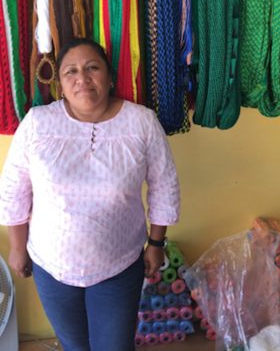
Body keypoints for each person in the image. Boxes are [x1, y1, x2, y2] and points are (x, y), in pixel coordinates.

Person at [0, 38, 180, 351]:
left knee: (114, 346)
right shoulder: (39, 123)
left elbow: (165, 186)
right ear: (60, 84)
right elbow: (13, 189)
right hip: (50, 264)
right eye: (71, 71)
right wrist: (17, 247)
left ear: (110, 77)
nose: (82, 78)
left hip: (119, 263)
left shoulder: (141, 122)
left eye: (92, 68)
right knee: (73, 345)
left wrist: (156, 244)